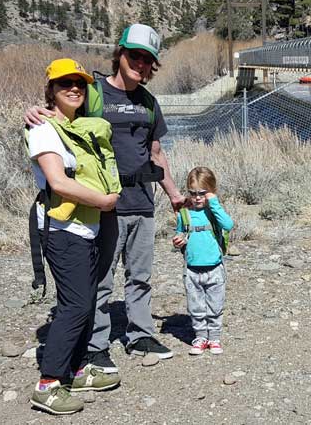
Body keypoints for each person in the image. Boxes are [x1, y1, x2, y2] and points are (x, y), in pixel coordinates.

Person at [25, 24, 185, 372]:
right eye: (134, 56)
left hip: (143, 202)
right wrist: (35, 111)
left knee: (140, 275)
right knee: (100, 279)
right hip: (103, 205)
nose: (140, 64)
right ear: (120, 54)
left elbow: (156, 154)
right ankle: (96, 345)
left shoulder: (148, 102)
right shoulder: (92, 93)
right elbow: (60, 114)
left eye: (147, 60)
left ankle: (140, 334)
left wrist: (173, 193)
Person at [25, 58, 122, 415]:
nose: (74, 88)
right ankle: (48, 384)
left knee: (85, 299)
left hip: (86, 227)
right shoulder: (43, 129)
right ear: (51, 90)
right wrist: (106, 201)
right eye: (65, 83)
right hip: (63, 230)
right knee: (76, 305)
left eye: (79, 82)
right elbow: (58, 182)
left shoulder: (76, 127)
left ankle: (77, 369)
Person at [172, 167, 233, 356]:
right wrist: (178, 239)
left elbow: (228, 225)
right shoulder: (185, 213)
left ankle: (214, 337)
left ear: (211, 191)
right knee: (196, 305)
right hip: (192, 268)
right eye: (193, 193)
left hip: (214, 267)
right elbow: (181, 231)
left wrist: (213, 202)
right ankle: (200, 336)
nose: (197, 197)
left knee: (215, 304)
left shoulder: (214, 212)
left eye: (202, 193)